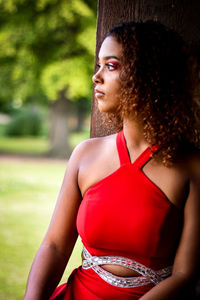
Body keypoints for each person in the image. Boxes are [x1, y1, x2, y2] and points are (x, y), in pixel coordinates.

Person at [24, 20, 200, 300]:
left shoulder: (191, 167)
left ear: (148, 74)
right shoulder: (85, 155)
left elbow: (185, 274)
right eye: (98, 65)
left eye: (111, 65)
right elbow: (55, 246)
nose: (96, 76)